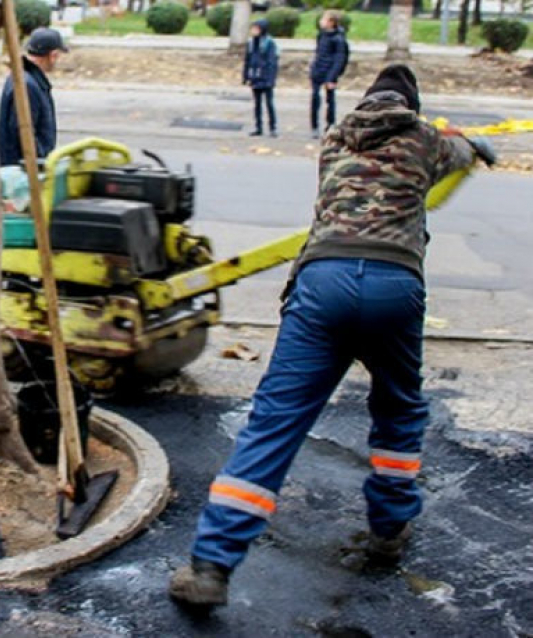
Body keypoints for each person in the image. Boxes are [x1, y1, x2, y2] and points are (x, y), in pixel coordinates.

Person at [168, 65, 496, 609]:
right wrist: (476, 145)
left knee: (275, 420)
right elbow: (463, 153)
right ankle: (389, 533)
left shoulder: (334, 138)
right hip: (395, 285)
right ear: (411, 107)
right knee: (398, 408)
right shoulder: (426, 139)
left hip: (322, 282)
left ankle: (211, 567)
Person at [0, 28, 68, 167]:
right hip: (24, 171)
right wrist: (39, 161)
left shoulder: (22, 79)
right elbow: (23, 133)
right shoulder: (28, 85)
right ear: (52, 55)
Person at [310, 10, 348, 138]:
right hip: (318, 70)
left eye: (324, 19)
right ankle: (314, 126)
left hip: (329, 72)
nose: (321, 22)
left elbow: (340, 59)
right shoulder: (321, 35)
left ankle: (330, 124)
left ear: (331, 22)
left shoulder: (339, 39)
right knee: (315, 98)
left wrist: (332, 77)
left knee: (330, 100)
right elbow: (319, 53)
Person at [243, 19, 279, 138]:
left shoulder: (269, 43)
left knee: (269, 103)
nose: (253, 31)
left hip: (265, 77)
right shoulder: (251, 43)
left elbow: (272, 63)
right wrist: (246, 76)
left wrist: (270, 79)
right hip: (255, 76)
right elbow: (247, 60)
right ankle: (258, 127)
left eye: (256, 28)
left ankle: (273, 127)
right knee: (257, 104)